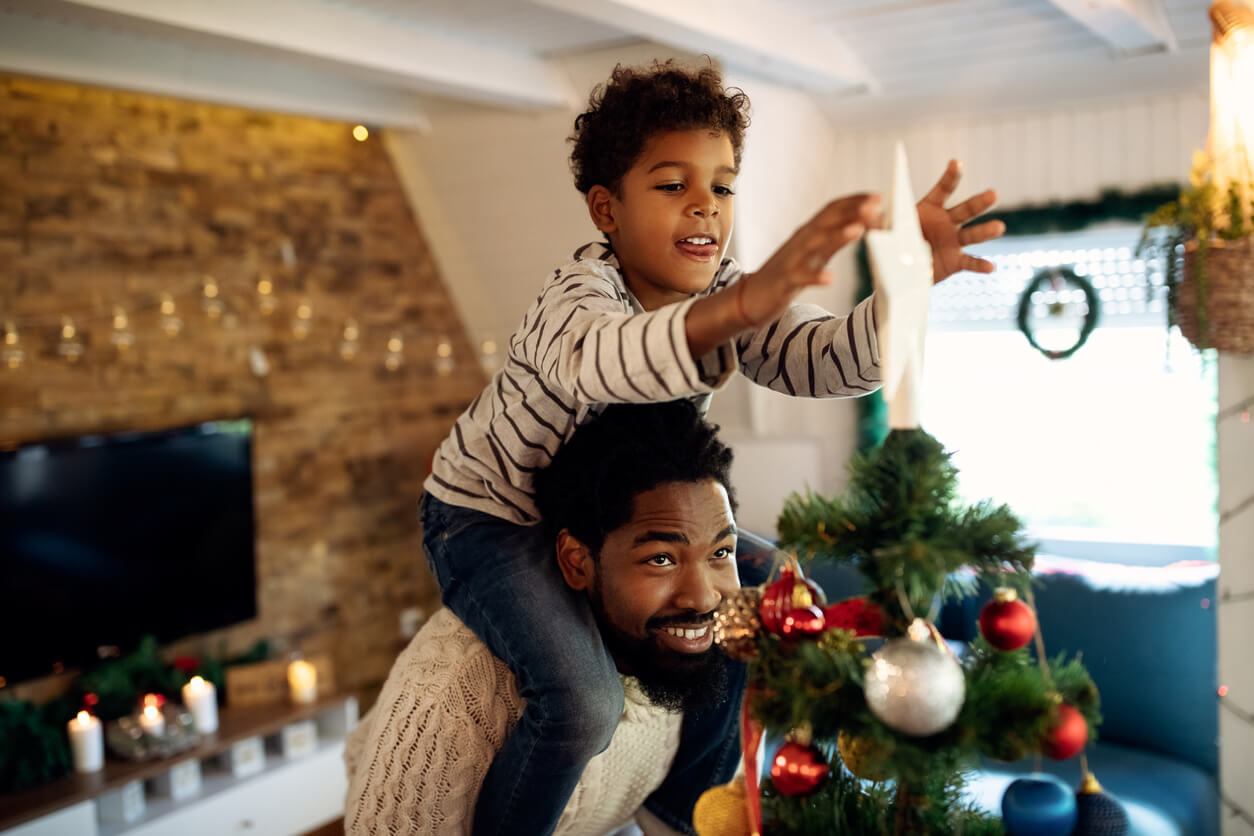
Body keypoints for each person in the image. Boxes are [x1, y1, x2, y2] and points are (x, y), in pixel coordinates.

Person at [421, 59, 1005, 835]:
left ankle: (679, 805)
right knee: (583, 703)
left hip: (611, 522)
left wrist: (904, 288)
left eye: (723, 186)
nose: (705, 205)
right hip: (492, 521)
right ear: (606, 210)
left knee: (766, 603)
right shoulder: (576, 302)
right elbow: (610, 361)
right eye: (671, 185)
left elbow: (828, 362)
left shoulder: (724, 290)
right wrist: (736, 308)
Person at [347, 401, 749, 835]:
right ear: (577, 561)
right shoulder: (459, 694)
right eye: (661, 558)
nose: (703, 596)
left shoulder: (688, 652)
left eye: (720, 552)